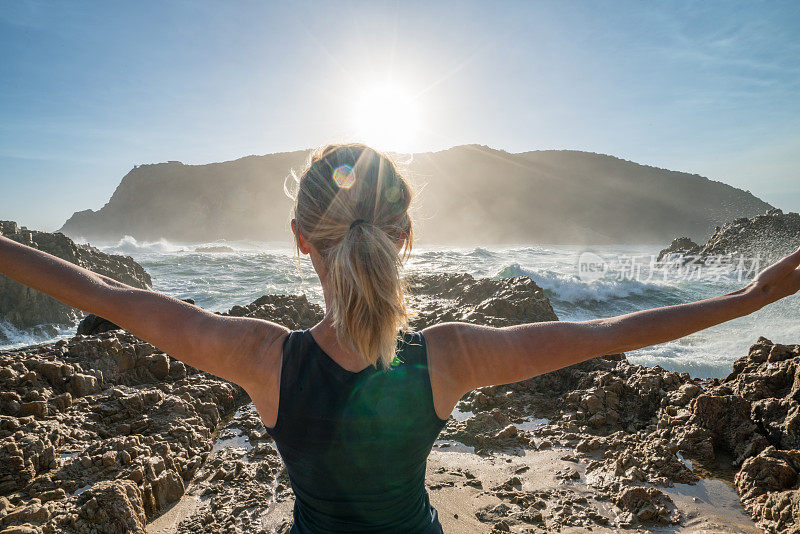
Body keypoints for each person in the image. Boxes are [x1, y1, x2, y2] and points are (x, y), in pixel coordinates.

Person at [1, 143, 799, 533]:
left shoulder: (262, 358)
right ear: (406, 236)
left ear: (298, 242)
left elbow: (102, 291)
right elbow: (608, 331)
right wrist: (753, 294)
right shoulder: (447, 357)